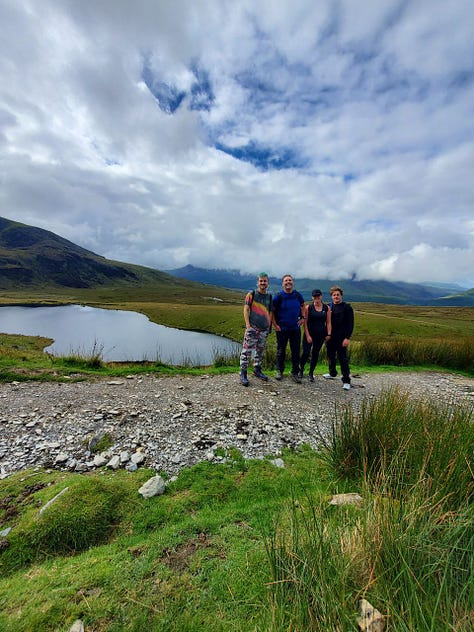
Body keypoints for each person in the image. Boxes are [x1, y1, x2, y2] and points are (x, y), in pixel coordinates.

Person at [239, 273, 273, 386]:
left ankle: (257, 370)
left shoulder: (270, 296)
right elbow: (246, 309)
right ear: (258, 282)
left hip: (264, 329)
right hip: (252, 328)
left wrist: (269, 326)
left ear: (268, 283)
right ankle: (243, 373)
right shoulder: (251, 294)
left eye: (265, 281)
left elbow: (270, 312)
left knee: (260, 351)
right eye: (261, 281)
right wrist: (248, 326)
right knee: (246, 352)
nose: (263, 283)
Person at [272, 274, 305, 383]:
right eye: (286, 281)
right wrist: (275, 325)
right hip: (282, 329)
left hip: (295, 328)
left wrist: (303, 317)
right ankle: (279, 371)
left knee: (295, 351)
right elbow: (271, 311)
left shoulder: (297, 295)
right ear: (282, 283)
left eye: (290, 280)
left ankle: (295, 372)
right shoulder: (278, 296)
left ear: (293, 282)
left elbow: (303, 305)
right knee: (281, 351)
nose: (288, 282)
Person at [324, 285, 354, 390]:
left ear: (341, 296)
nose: (336, 296)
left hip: (342, 338)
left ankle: (346, 380)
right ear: (331, 296)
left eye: (338, 295)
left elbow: (350, 324)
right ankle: (332, 373)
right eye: (334, 295)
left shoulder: (347, 308)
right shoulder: (328, 307)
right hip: (330, 337)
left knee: (343, 359)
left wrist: (347, 338)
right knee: (331, 356)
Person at [299, 289, 331, 382]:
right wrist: (308, 335)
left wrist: (329, 333)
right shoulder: (309, 308)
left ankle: (311, 373)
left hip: (321, 335)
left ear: (321, 296)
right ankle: (301, 370)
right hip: (309, 334)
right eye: (315, 296)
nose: (317, 298)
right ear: (312, 297)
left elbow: (328, 322)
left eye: (318, 296)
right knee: (305, 352)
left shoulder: (326, 308)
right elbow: (305, 322)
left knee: (315, 354)